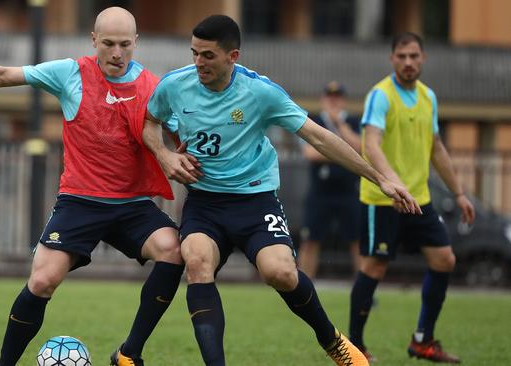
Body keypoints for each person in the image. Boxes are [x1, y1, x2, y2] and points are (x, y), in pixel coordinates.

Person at [143, 15, 421, 366]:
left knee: (281, 273)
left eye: (208, 55)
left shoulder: (261, 93)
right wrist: (164, 154)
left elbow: (319, 136)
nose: (198, 62)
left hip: (255, 201)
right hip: (205, 202)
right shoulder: (174, 85)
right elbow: (150, 120)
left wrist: (378, 177)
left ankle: (332, 340)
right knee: (196, 261)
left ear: (233, 57)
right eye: (194, 53)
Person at [0, 7, 184, 366]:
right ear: (94, 40)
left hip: (132, 204)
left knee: (173, 250)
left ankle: (128, 353)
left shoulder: (154, 87)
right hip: (79, 201)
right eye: (108, 43)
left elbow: (182, 133)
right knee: (43, 280)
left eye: (125, 44)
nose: (117, 53)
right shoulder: (69, 73)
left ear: (136, 42)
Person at [348, 32, 475, 364]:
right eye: (401, 56)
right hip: (382, 199)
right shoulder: (380, 95)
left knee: (444, 260)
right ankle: (354, 349)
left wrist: (460, 193)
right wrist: (393, 183)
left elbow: (436, 148)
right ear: (392, 59)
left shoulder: (428, 97)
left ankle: (423, 341)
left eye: (413, 56)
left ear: (423, 59)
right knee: (375, 266)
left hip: (419, 198)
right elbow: (371, 144)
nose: (408, 62)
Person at [298, 81, 362, 278]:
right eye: (329, 97)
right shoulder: (313, 120)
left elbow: (359, 149)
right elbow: (309, 153)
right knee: (310, 241)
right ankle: (301, 289)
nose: (333, 101)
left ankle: (363, 289)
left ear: (343, 101)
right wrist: (343, 153)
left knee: (358, 242)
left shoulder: (353, 122)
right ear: (323, 99)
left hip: (348, 192)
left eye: (337, 98)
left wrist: (339, 124)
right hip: (320, 193)